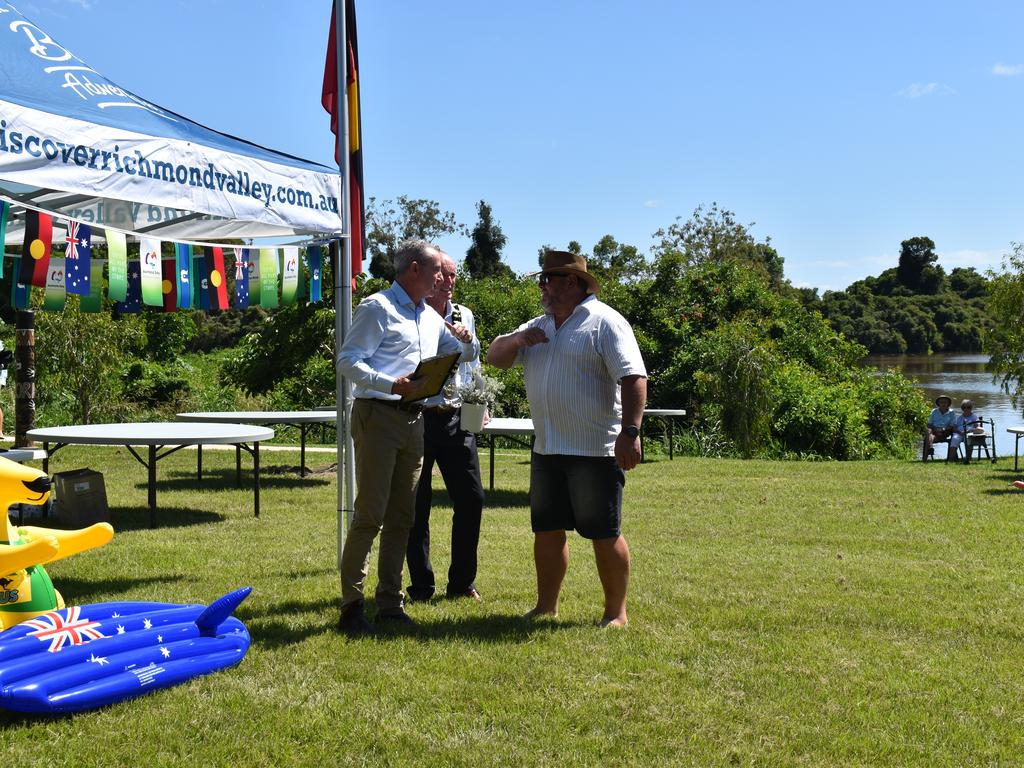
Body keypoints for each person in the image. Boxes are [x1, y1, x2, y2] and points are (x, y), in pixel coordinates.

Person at [486, 250, 647, 628]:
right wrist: (518, 339)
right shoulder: (538, 325)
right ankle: (546, 606)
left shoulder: (605, 322)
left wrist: (631, 432)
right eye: (540, 280)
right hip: (547, 449)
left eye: (547, 280)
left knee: (604, 533)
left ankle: (616, 613)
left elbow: (633, 377)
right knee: (546, 530)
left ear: (571, 282)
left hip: (594, 450)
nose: (541, 287)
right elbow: (495, 357)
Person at [336, 239, 477, 636]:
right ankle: (351, 606)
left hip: (414, 421)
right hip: (378, 415)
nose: (443, 279)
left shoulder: (430, 318)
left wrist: (465, 339)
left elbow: (464, 356)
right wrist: (389, 384)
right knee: (370, 515)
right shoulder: (378, 308)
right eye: (437, 272)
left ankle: (390, 603)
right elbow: (347, 361)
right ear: (414, 270)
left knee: (403, 516)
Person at [406, 252, 486, 603]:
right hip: (419, 417)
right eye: (447, 275)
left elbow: (474, 365)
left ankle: (461, 583)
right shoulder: (414, 312)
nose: (451, 281)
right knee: (415, 505)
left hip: (456, 417)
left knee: (471, 498)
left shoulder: (462, 313)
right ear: (433, 276)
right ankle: (421, 586)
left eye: (455, 275)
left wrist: (478, 407)